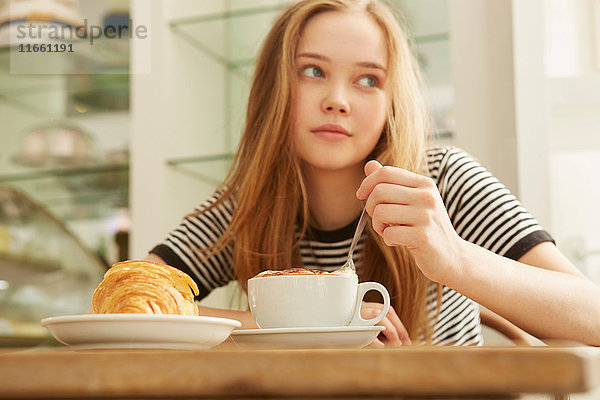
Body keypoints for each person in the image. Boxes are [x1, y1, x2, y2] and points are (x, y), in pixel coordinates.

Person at [146, 0, 600, 346]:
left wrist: (455, 258)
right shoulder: (247, 206)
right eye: (312, 71)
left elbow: (593, 315)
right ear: (273, 88)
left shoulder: (442, 182)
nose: (337, 100)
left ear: (392, 103)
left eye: (368, 80)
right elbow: (134, 300)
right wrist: (315, 326)